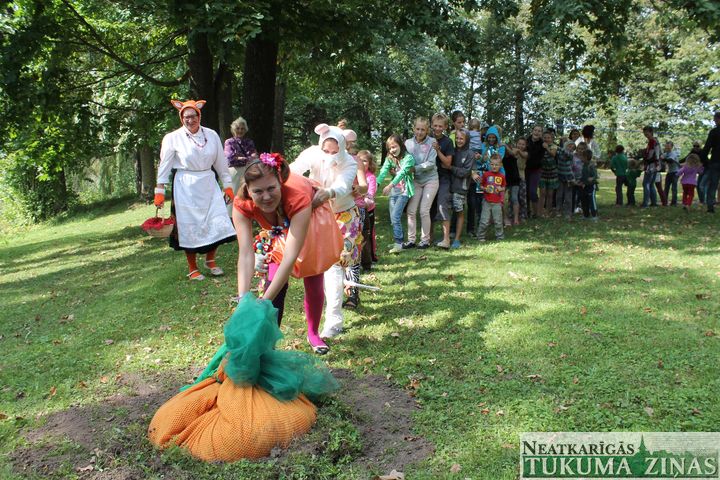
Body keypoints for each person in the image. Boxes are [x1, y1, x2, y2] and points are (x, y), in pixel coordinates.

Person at [233, 153, 342, 354]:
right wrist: (243, 299)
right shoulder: (242, 204)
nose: (266, 197)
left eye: (271, 188)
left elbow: (290, 257)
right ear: (248, 189)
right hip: (281, 223)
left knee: (312, 272)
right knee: (274, 282)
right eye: (258, 191)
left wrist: (262, 303)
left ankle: (313, 333)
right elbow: (246, 254)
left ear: (280, 182)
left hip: (311, 214)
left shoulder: (297, 198)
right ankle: (268, 343)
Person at [290, 124, 360, 338]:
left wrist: (328, 192)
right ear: (320, 144)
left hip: (344, 214)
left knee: (336, 265)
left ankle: (334, 320)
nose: (329, 155)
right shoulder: (311, 153)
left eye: (334, 151)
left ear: (342, 147)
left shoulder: (349, 162)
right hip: (320, 214)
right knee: (322, 264)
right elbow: (294, 170)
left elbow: (343, 185)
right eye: (326, 150)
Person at [155, 99, 236, 281]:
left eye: (193, 116)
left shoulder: (211, 135)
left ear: (199, 116)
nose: (190, 120)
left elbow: (221, 163)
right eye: (186, 117)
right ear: (181, 118)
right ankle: (192, 267)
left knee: (217, 219)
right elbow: (165, 165)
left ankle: (210, 260)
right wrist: (159, 191)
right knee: (189, 225)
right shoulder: (173, 138)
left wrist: (228, 185)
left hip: (208, 182)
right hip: (186, 186)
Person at [404, 117, 438, 249]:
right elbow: (405, 160)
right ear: (413, 129)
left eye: (423, 129)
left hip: (431, 179)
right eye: (417, 129)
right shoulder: (408, 143)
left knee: (424, 210)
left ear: (427, 130)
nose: (419, 132)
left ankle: (425, 240)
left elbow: (431, 163)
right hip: (415, 180)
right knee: (411, 210)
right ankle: (411, 240)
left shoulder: (432, 142)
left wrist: (415, 168)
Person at [378, 135, 415, 253]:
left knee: (395, 216)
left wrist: (390, 185)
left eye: (394, 147)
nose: (392, 150)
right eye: (390, 148)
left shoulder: (408, 158)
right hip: (394, 192)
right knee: (393, 218)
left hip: (404, 191)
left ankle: (399, 243)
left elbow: (402, 173)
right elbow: (383, 170)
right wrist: (377, 183)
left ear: (401, 145)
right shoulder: (390, 158)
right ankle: (398, 241)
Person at [224, 116, 258, 215]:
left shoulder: (249, 142)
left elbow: (255, 156)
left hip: (247, 171)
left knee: (246, 194)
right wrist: (247, 158)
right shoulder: (229, 142)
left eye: (242, 128)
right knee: (231, 195)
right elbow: (230, 158)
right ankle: (229, 217)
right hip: (234, 172)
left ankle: (245, 215)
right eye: (238, 128)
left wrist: (240, 158)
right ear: (233, 129)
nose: (240, 130)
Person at [430, 113, 455, 249]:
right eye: (435, 125)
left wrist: (438, 151)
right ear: (431, 125)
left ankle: (446, 240)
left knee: (442, 206)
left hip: (444, 178)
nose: (437, 128)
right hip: (429, 178)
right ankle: (428, 237)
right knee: (429, 207)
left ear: (445, 127)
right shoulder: (428, 139)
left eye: (440, 126)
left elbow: (448, 163)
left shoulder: (448, 142)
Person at [445, 129, 474, 248]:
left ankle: (457, 239)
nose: (459, 140)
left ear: (467, 140)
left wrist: (451, 168)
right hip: (449, 186)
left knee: (459, 212)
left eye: (461, 138)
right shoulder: (452, 151)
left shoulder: (470, 154)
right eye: (457, 138)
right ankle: (447, 236)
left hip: (461, 188)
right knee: (449, 211)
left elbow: (465, 172)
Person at [356, 151, 378, 271]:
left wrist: (363, 201)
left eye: (365, 161)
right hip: (356, 209)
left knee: (368, 235)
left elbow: (370, 194)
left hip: (368, 210)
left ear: (369, 163)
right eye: (360, 160)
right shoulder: (355, 174)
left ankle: (371, 258)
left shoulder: (371, 177)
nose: (362, 163)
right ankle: (358, 259)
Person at [476, 154, 506, 241]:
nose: (494, 166)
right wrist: (485, 188)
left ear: (500, 165)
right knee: (484, 221)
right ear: (489, 164)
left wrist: (501, 189)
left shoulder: (502, 176)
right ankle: (480, 236)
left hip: (497, 203)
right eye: (492, 164)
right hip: (487, 202)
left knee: (498, 221)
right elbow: (480, 186)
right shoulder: (486, 175)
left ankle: (500, 237)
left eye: (496, 165)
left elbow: (504, 187)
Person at [699, 111, 720, 213]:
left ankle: (710, 207)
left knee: (713, 185)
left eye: (715, 119)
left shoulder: (714, 132)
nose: (714, 121)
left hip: (715, 160)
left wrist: (703, 160)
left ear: (717, 119)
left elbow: (707, 147)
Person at [526, 125, 544, 218]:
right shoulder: (526, 141)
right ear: (532, 131)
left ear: (541, 133)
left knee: (532, 191)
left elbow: (536, 155)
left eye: (539, 131)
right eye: (535, 130)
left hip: (536, 170)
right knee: (525, 190)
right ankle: (527, 211)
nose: (537, 132)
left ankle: (535, 213)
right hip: (525, 169)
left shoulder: (542, 144)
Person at [539, 134, 559, 217]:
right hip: (542, 172)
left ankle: (548, 212)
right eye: (545, 137)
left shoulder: (554, 146)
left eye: (549, 137)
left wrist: (546, 147)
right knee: (542, 193)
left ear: (552, 139)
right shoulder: (540, 146)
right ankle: (540, 212)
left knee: (550, 194)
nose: (547, 139)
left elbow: (553, 154)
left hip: (552, 173)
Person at [641, 126, 661, 208]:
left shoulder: (653, 141)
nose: (645, 134)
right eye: (644, 133)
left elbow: (652, 155)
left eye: (647, 132)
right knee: (651, 184)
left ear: (651, 132)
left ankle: (645, 203)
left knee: (646, 184)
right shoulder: (653, 141)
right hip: (654, 165)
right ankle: (654, 202)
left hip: (652, 165)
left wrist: (645, 159)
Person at [556, 141, 576, 219]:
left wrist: (560, 147)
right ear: (565, 145)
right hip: (560, 176)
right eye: (569, 146)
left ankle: (568, 213)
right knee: (559, 195)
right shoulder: (559, 153)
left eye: (572, 148)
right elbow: (556, 151)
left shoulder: (571, 154)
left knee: (568, 196)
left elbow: (566, 153)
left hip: (569, 177)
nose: (571, 148)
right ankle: (558, 211)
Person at [578, 149, 599, 220]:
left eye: (582, 156)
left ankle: (594, 215)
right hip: (584, 186)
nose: (581, 158)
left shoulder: (591, 165)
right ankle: (585, 215)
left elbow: (595, 175)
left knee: (592, 200)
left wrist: (592, 178)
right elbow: (583, 176)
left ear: (586, 157)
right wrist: (581, 181)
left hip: (591, 186)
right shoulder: (583, 165)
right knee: (584, 200)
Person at [661, 140, 680, 206]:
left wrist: (663, 159)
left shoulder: (673, 153)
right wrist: (661, 158)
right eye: (666, 146)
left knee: (674, 188)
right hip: (670, 172)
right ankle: (665, 201)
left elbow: (670, 160)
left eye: (668, 146)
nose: (667, 148)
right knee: (666, 187)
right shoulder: (666, 154)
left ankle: (674, 202)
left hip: (675, 172)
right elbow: (661, 158)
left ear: (672, 147)